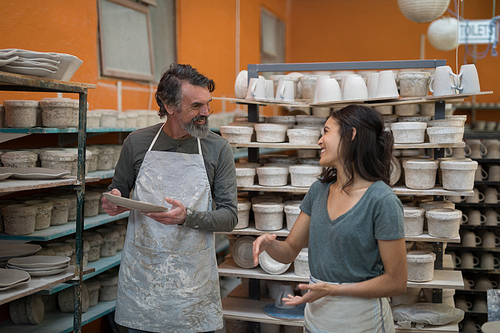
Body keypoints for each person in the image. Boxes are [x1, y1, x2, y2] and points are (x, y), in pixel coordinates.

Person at [101, 63, 238, 333]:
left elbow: (229, 217)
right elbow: (116, 192)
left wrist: (187, 216)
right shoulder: (137, 143)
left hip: (192, 283)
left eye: (208, 104)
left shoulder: (217, 149)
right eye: (196, 106)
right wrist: (112, 201)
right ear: (168, 104)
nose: (206, 113)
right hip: (144, 279)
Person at [253, 105, 407, 333]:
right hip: (317, 318)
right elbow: (289, 251)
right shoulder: (319, 190)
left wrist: (335, 290)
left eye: (326, 131)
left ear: (351, 135)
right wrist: (269, 244)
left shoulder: (382, 200)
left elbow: (396, 281)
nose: (319, 140)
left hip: (363, 322)